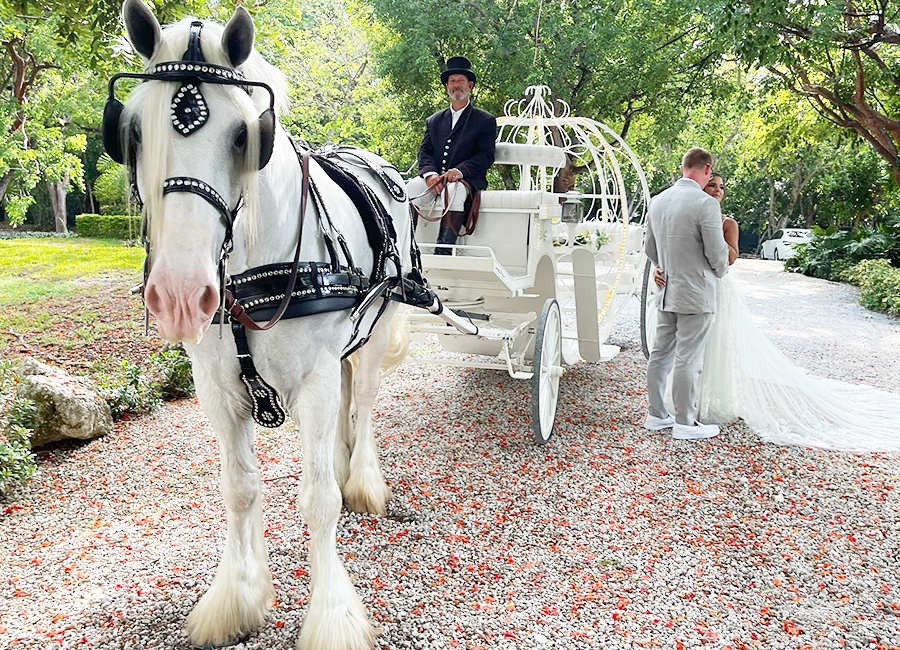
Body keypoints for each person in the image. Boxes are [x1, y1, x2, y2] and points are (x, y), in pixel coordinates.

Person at [655, 171, 900, 452]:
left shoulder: (727, 223)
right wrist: (662, 267)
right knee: (687, 352)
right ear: (700, 185)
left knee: (713, 347)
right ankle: (685, 408)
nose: (717, 190)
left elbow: (730, 258)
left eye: (721, 187)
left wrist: (712, 239)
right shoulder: (687, 213)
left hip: (715, 288)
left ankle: (706, 405)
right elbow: (667, 249)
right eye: (712, 185)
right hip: (686, 289)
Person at [643, 148, 730, 440]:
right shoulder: (706, 204)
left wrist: (662, 268)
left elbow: (649, 249)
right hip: (696, 291)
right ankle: (685, 422)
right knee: (688, 358)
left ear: (683, 168)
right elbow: (717, 253)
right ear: (707, 169)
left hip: (666, 290)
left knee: (660, 353)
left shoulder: (657, 201)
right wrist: (718, 274)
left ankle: (656, 414)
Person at [407, 56, 497, 254]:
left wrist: (460, 170)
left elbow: (486, 156)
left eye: (461, 81)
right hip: (435, 178)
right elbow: (425, 153)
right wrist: (430, 175)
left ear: (470, 85)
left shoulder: (484, 120)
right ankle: (406, 247)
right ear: (447, 86)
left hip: (466, 180)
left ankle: (444, 250)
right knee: (411, 190)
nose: (457, 85)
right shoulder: (434, 120)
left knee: (453, 192)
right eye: (453, 81)